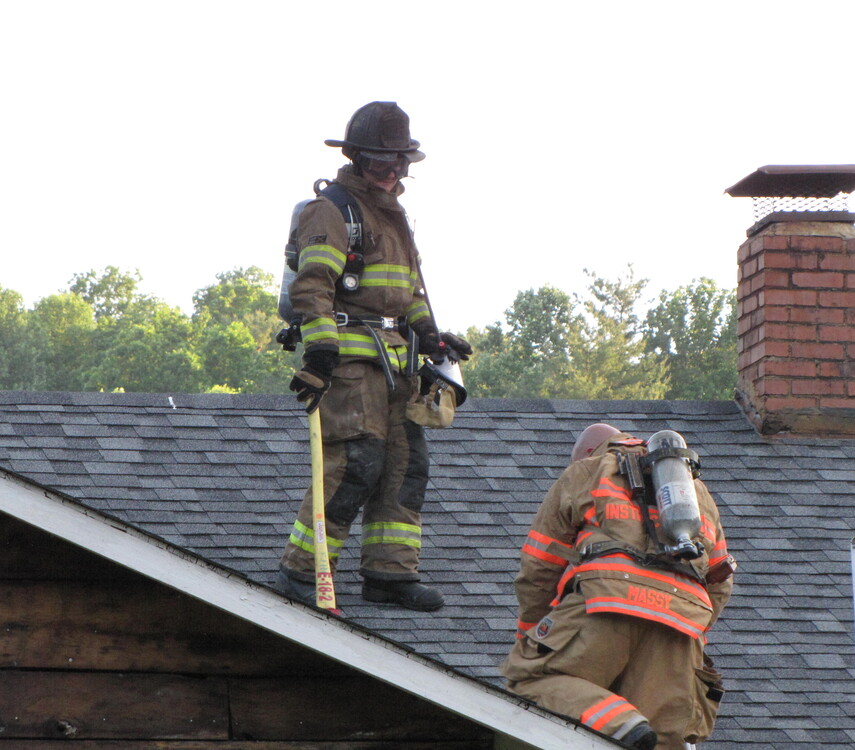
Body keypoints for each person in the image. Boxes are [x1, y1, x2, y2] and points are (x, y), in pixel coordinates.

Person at [275, 101, 471, 612]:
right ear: (358, 157)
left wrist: (431, 337)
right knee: (356, 461)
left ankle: (389, 574)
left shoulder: (395, 217)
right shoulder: (332, 211)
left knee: (406, 466)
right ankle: (305, 568)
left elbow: (410, 292)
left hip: (398, 367)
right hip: (349, 366)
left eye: (400, 162)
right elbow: (313, 288)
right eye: (383, 161)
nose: (394, 171)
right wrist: (320, 353)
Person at [501, 424, 735, 749]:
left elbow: (539, 564)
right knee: (661, 741)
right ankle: (630, 725)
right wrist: (692, 635)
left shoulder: (588, 470)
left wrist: (531, 634)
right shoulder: (698, 493)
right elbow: (720, 582)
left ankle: (621, 721)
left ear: (586, 452)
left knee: (531, 678)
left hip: (605, 606)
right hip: (680, 625)